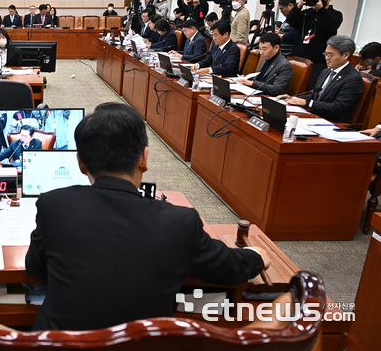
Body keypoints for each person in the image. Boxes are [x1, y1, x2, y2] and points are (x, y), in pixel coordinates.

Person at [25, 102, 267, 331]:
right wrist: (255, 256)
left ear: (80, 164)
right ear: (144, 157)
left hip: (56, 343)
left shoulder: (53, 205)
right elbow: (228, 268)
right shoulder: (180, 222)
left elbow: (34, 266)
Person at [278, 35, 363, 123]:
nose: (326, 58)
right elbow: (315, 95)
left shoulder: (353, 78)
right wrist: (293, 98)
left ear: (346, 55)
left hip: (332, 123)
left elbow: (338, 108)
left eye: (330, 55)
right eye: (325, 54)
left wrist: (308, 103)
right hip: (314, 117)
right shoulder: (325, 72)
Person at [286, 0, 342, 90]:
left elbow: (332, 26)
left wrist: (321, 10)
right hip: (297, 58)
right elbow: (291, 20)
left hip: (317, 61)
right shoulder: (307, 13)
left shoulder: (335, 14)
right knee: (291, 87)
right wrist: (299, 5)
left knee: (307, 90)